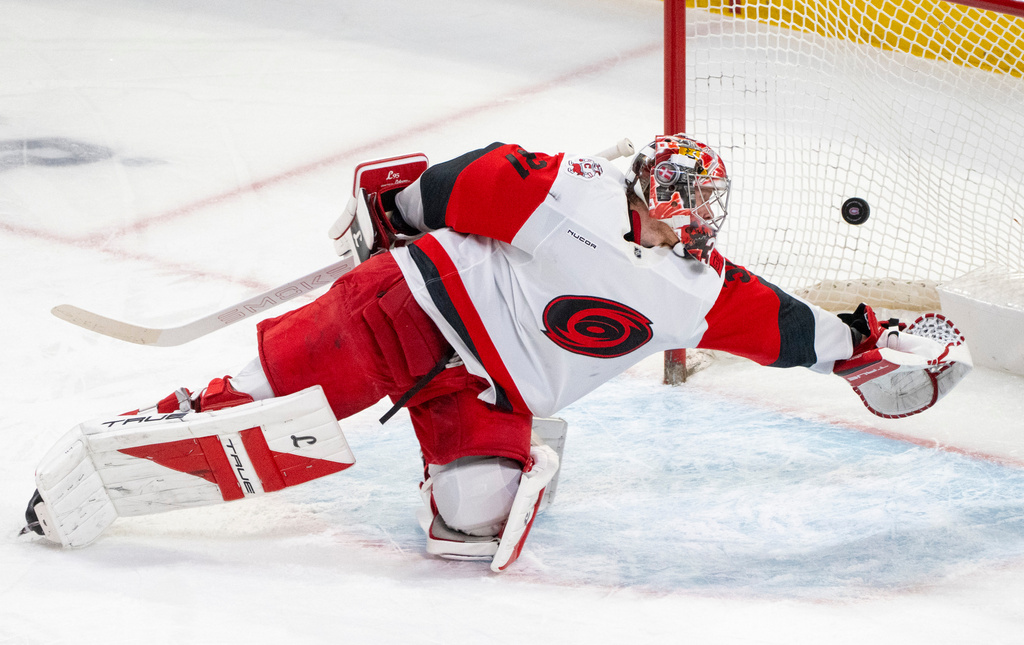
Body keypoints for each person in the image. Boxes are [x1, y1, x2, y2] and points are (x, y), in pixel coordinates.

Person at [23, 134, 968, 569]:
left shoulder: (698, 290)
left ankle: (517, 456)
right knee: (261, 396)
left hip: (481, 391)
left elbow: (794, 331)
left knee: (469, 530)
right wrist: (391, 211)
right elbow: (461, 181)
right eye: (677, 192)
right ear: (645, 182)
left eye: (705, 204)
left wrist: (869, 349)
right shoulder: (572, 191)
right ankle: (132, 441)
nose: (691, 214)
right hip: (404, 313)